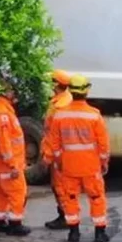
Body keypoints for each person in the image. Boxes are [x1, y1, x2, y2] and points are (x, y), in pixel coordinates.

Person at [42, 74, 111, 242]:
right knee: (96, 198)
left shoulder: (60, 115)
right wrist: (104, 163)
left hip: (68, 167)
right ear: (87, 91)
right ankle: (99, 233)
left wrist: (54, 160)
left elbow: (54, 142)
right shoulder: (94, 116)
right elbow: (103, 145)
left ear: (71, 92)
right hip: (90, 166)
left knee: (70, 198)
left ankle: (73, 232)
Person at [0, 66, 31, 236]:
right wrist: (12, 165)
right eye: (12, 91)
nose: (15, 95)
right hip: (5, 161)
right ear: (6, 93)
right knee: (18, 191)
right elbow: (4, 142)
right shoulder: (3, 113)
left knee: (0, 191)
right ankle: (15, 224)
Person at [42, 69, 74, 230]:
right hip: (60, 153)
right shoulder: (62, 101)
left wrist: (49, 155)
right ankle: (66, 215)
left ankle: (66, 217)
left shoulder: (61, 106)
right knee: (60, 185)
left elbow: (55, 134)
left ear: (56, 84)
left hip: (60, 154)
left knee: (61, 186)